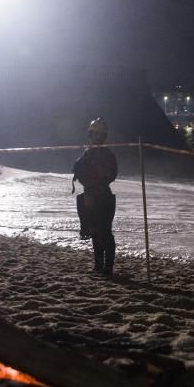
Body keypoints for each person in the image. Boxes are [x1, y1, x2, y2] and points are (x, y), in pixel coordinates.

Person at [73, 118, 118, 275]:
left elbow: (111, 175)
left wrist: (94, 177)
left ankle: (107, 267)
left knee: (104, 232)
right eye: (94, 134)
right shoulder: (89, 153)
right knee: (94, 232)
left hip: (102, 196)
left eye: (98, 134)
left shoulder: (105, 154)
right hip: (91, 196)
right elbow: (78, 171)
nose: (96, 137)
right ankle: (99, 266)